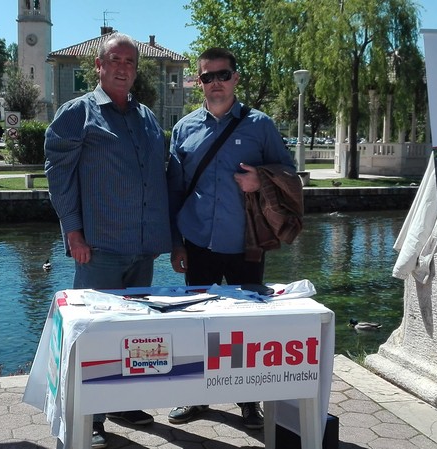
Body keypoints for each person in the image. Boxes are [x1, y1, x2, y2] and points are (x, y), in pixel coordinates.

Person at [44, 32, 171, 449]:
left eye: (129, 61)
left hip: (142, 249)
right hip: (98, 248)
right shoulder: (77, 113)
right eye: (114, 60)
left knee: (131, 335)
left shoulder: (147, 116)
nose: (122, 68)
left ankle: (122, 403)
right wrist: (73, 232)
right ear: (98, 66)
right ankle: (89, 417)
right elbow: (58, 175)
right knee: (93, 336)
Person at [166, 47, 298, 430]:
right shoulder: (184, 129)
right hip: (198, 245)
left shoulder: (260, 125)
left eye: (222, 75)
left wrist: (261, 179)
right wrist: (176, 242)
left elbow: (290, 175)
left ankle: (248, 401)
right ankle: (196, 395)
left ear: (235, 78)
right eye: (208, 77)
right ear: (199, 82)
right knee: (197, 324)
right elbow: (174, 192)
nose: (216, 83)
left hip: (247, 245)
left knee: (247, 328)